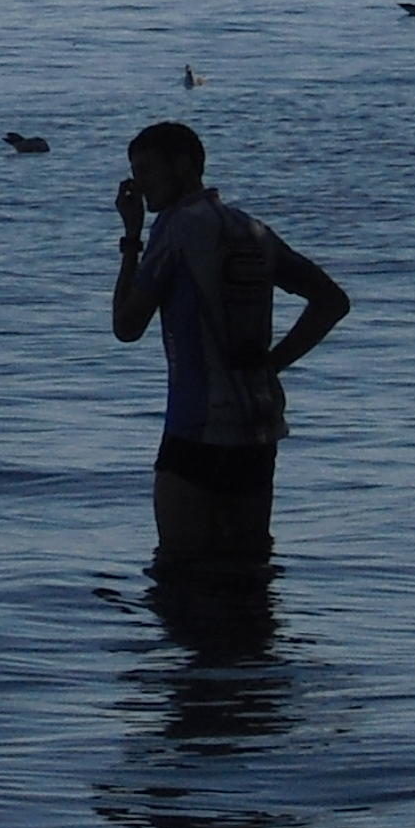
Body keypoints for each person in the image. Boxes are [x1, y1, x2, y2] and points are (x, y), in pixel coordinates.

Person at [112, 122, 349, 565]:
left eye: (146, 171)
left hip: (194, 430)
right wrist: (274, 363)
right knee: (250, 573)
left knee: (180, 574)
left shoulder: (176, 227)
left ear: (183, 165)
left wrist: (131, 237)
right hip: (257, 428)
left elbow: (127, 325)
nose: (138, 186)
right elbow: (332, 301)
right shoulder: (251, 230)